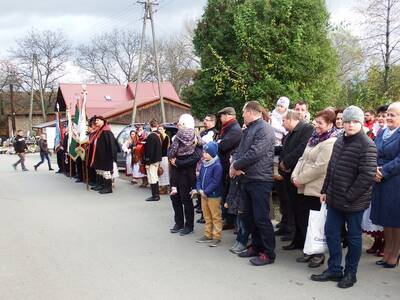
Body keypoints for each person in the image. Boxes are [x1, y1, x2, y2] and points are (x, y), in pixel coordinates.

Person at [311, 105, 377, 289]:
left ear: (361, 123)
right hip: (334, 198)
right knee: (331, 233)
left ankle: (350, 273)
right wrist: (325, 190)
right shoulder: (339, 140)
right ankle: (334, 269)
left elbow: (367, 176)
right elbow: (331, 167)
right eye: (347, 121)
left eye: (355, 121)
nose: (350, 125)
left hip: (354, 202)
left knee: (354, 238)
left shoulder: (367, 145)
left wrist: (349, 196)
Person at [231, 101, 276, 266]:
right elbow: (241, 150)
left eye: (243, 112)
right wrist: (234, 163)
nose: (242, 115)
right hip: (247, 177)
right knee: (250, 216)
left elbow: (255, 153)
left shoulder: (265, 129)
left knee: (262, 218)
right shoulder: (250, 128)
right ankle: (256, 246)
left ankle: (268, 253)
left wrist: (236, 165)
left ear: (250, 112)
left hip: (260, 179)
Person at [291, 109, 337, 268]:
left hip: (316, 187)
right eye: (316, 122)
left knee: (316, 222)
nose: (316, 125)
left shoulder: (330, 142)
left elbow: (321, 167)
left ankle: (318, 254)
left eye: (320, 123)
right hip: (303, 184)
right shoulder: (313, 139)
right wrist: (295, 175)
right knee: (305, 220)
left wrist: (300, 178)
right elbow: (302, 158)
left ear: (330, 125)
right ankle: (309, 250)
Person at [370, 102, 400, 269]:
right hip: (379, 179)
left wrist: (383, 171)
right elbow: (374, 152)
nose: (388, 117)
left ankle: (395, 253)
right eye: (388, 114)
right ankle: (387, 249)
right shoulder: (382, 132)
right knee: (385, 219)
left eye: (393, 115)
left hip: (395, 181)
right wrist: (374, 170)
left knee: (396, 220)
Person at [278, 110, 314, 245]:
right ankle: (296, 239)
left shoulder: (307, 129)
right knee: (292, 207)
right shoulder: (290, 134)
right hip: (288, 175)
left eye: (284, 120)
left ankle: (303, 240)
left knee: (301, 209)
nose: (282, 123)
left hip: (298, 175)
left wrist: (286, 162)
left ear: (290, 119)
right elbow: (285, 149)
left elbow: (301, 149)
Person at [362, 105, 388, 257]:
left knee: (386, 211)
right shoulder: (378, 132)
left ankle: (386, 244)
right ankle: (377, 241)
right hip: (375, 172)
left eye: (385, 116)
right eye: (381, 116)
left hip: (388, 174)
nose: (382, 118)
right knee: (375, 210)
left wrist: (382, 170)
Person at [169, 114, 201, 236]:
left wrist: (178, 162)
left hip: (187, 174)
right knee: (174, 198)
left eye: (181, 123)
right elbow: (170, 151)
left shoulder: (197, 139)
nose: (179, 125)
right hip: (176, 173)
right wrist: (174, 160)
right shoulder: (176, 137)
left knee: (186, 200)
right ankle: (179, 223)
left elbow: (196, 157)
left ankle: (189, 225)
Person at [194, 141, 223, 247]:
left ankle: (216, 236)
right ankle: (208, 234)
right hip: (203, 195)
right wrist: (199, 189)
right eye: (204, 152)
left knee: (215, 216)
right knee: (206, 216)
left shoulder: (217, 166)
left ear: (212, 153)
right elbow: (199, 178)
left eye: (206, 153)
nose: (203, 154)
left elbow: (216, 182)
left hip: (213, 195)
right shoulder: (203, 164)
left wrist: (205, 191)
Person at [217, 107, 242, 230]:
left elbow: (223, 145)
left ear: (227, 116)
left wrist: (218, 142)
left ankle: (231, 220)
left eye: (221, 116)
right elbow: (219, 143)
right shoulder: (228, 128)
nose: (220, 118)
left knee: (230, 193)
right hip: (225, 164)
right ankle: (228, 219)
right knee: (226, 192)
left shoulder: (234, 129)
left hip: (229, 165)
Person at [196, 114, 219, 223]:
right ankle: (201, 209)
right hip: (200, 161)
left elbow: (210, 146)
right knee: (200, 182)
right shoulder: (202, 132)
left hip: (210, 163)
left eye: (207, 120)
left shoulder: (214, 133)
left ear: (213, 122)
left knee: (208, 186)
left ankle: (207, 215)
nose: (204, 121)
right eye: (204, 119)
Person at [168, 114, 198, 196]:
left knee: (174, 170)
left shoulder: (179, 134)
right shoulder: (194, 133)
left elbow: (174, 147)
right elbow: (201, 142)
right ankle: (194, 188)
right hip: (190, 155)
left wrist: (170, 156)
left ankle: (174, 187)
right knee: (192, 173)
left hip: (180, 155)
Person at [89, 116, 119, 194]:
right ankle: (101, 185)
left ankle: (108, 188)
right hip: (99, 156)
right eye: (96, 120)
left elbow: (112, 145)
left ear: (103, 121)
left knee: (106, 172)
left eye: (98, 120)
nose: (96, 122)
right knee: (100, 171)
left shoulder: (106, 131)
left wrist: (111, 157)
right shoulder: (99, 131)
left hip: (105, 157)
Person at [143, 119, 162, 202]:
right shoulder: (159, 135)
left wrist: (147, 162)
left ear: (150, 126)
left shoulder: (151, 136)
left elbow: (149, 151)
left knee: (152, 177)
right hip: (157, 159)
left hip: (152, 160)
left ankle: (155, 195)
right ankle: (156, 194)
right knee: (155, 177)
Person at [158, 125, 170, 195]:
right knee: (161, 173)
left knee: (164, 172)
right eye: (159, 129)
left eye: (161, 129)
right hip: (160, 156)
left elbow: (164, 148)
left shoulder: (165, 137)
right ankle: (162, 187)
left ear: (164, 130)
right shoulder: (159, 137)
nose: (160, 130)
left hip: (164, 156)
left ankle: (165, 188)